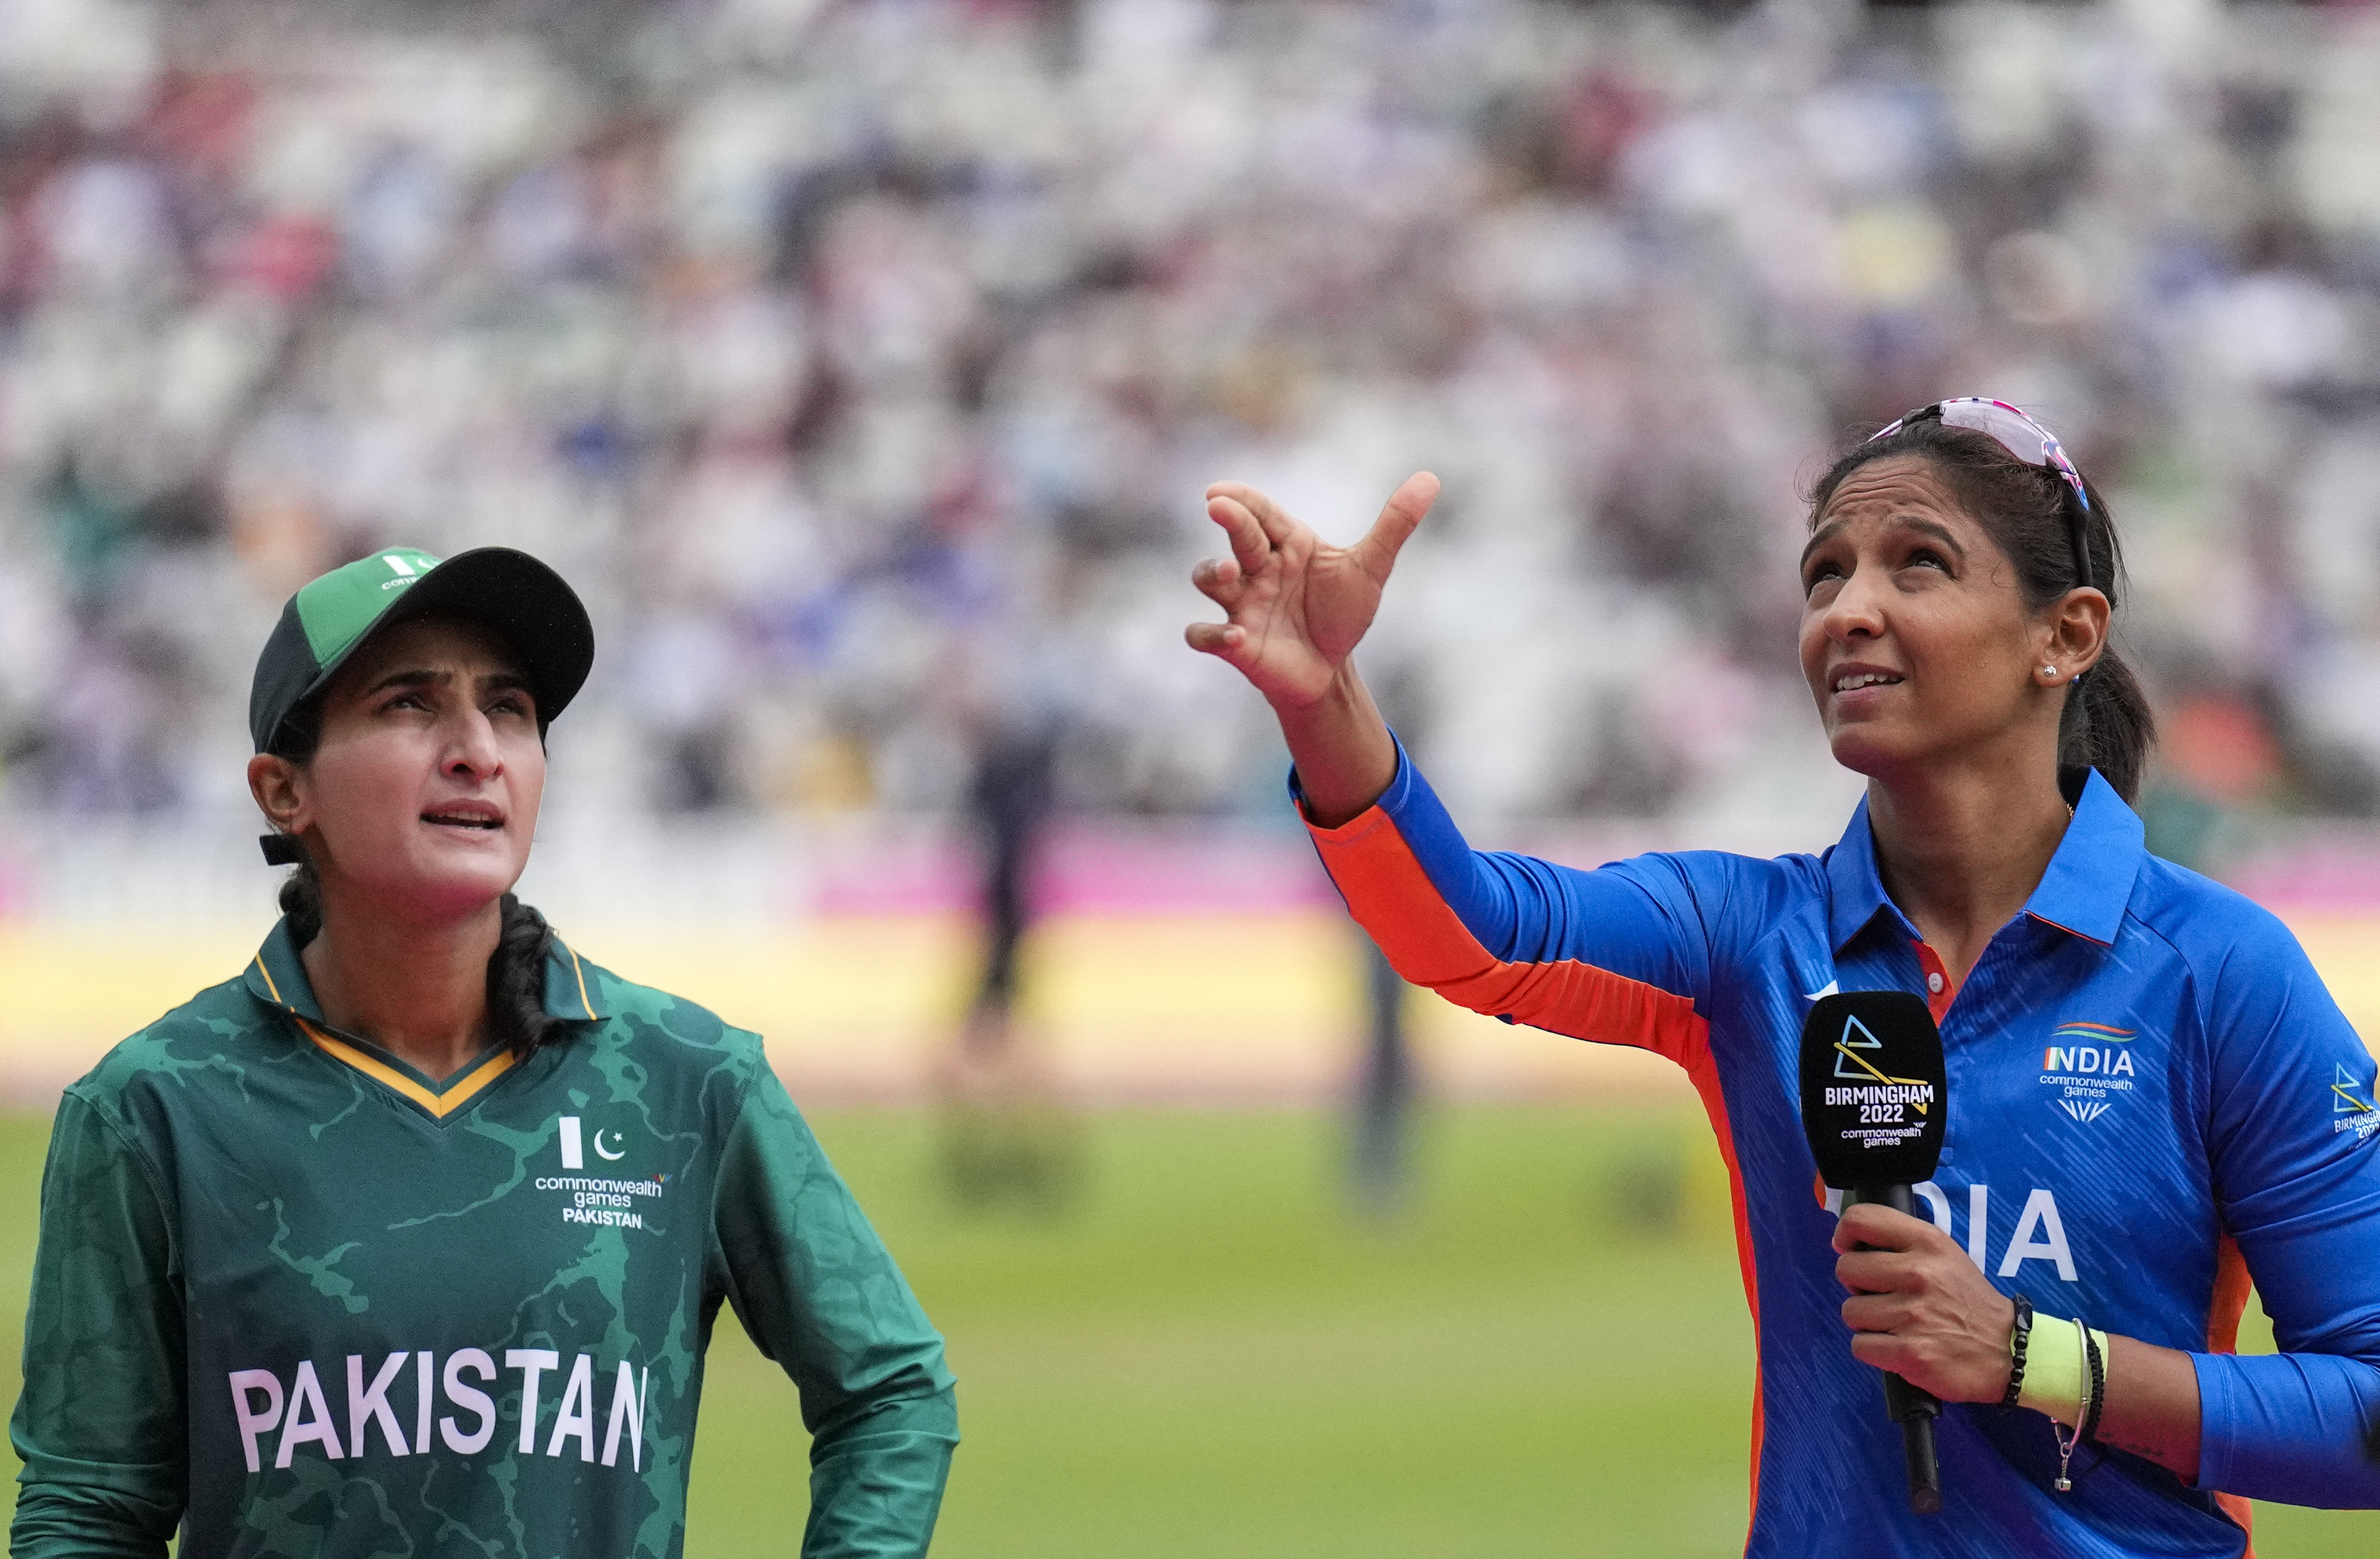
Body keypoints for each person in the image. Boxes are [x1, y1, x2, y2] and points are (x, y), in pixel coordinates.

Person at [1185, 399, 2380, 1555]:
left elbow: (2368, 1419)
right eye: (1823, 574)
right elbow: (1473, 931)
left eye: (1916, 564)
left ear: (2063, 635)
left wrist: (2032, 1357)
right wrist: (1321, 697)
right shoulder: (1748, 938)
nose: (1847, 610)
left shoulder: (2220, 974)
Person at [10, 547, 957, 1557]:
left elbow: (891, 1392)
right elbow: (88, 1509)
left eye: (508, 708)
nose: (477, 750)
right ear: (285, 792)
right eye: (409, 705)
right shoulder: (154, 1109)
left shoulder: (688, 1080)